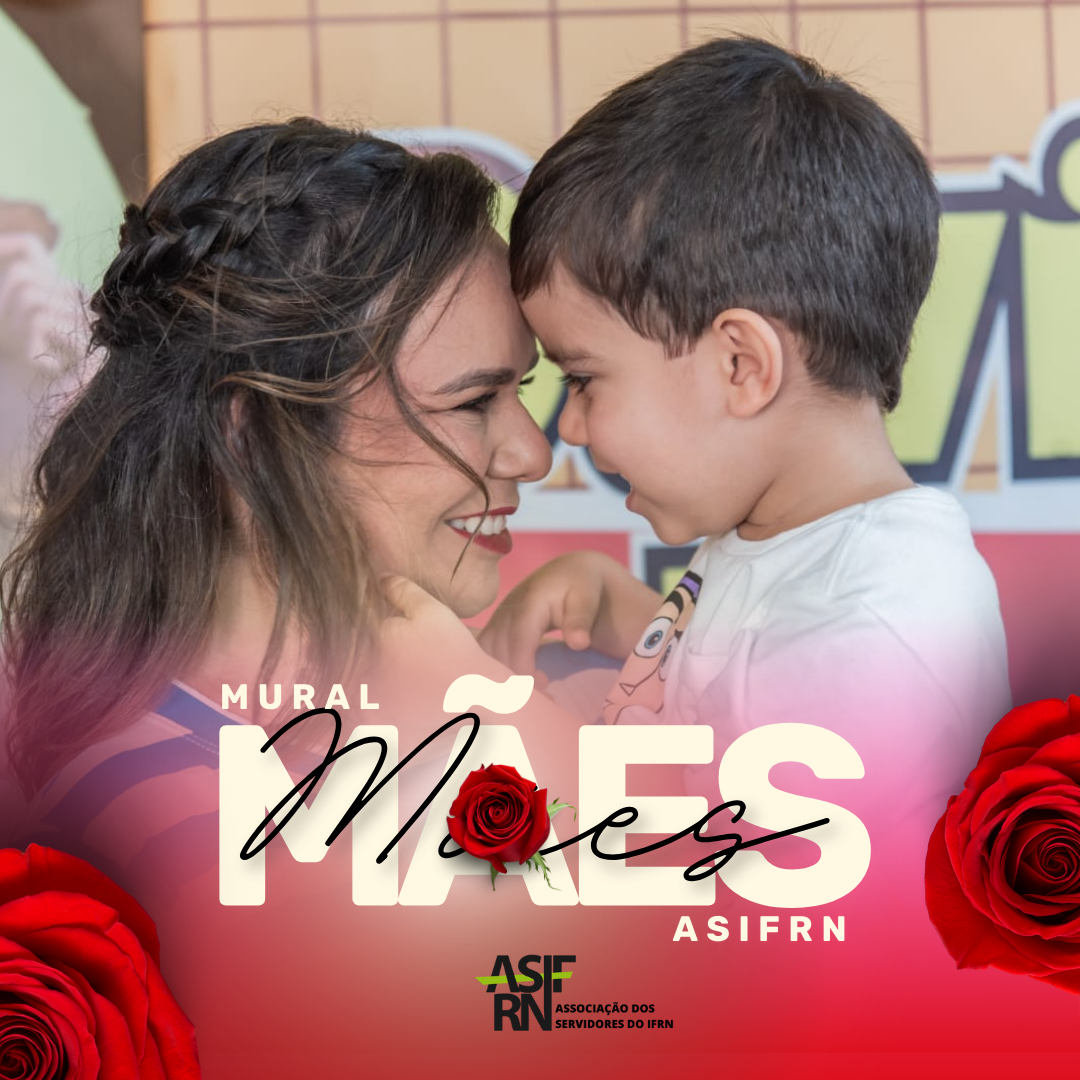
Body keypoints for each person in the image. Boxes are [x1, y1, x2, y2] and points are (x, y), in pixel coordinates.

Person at [1, 118, 565, 898]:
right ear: (254, 440)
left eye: (522, 390)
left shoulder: (340, 738)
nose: (533, 453)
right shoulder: (155, 823)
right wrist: (501, 731)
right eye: (474, 402)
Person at [481, 36, 1012, 837]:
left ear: (742, 365)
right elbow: (737, 676)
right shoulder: (791, 543)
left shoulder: (877, 631)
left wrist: (507, 736)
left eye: (583, 378)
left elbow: (736, 883)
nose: (572, 428)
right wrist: (619, 604)